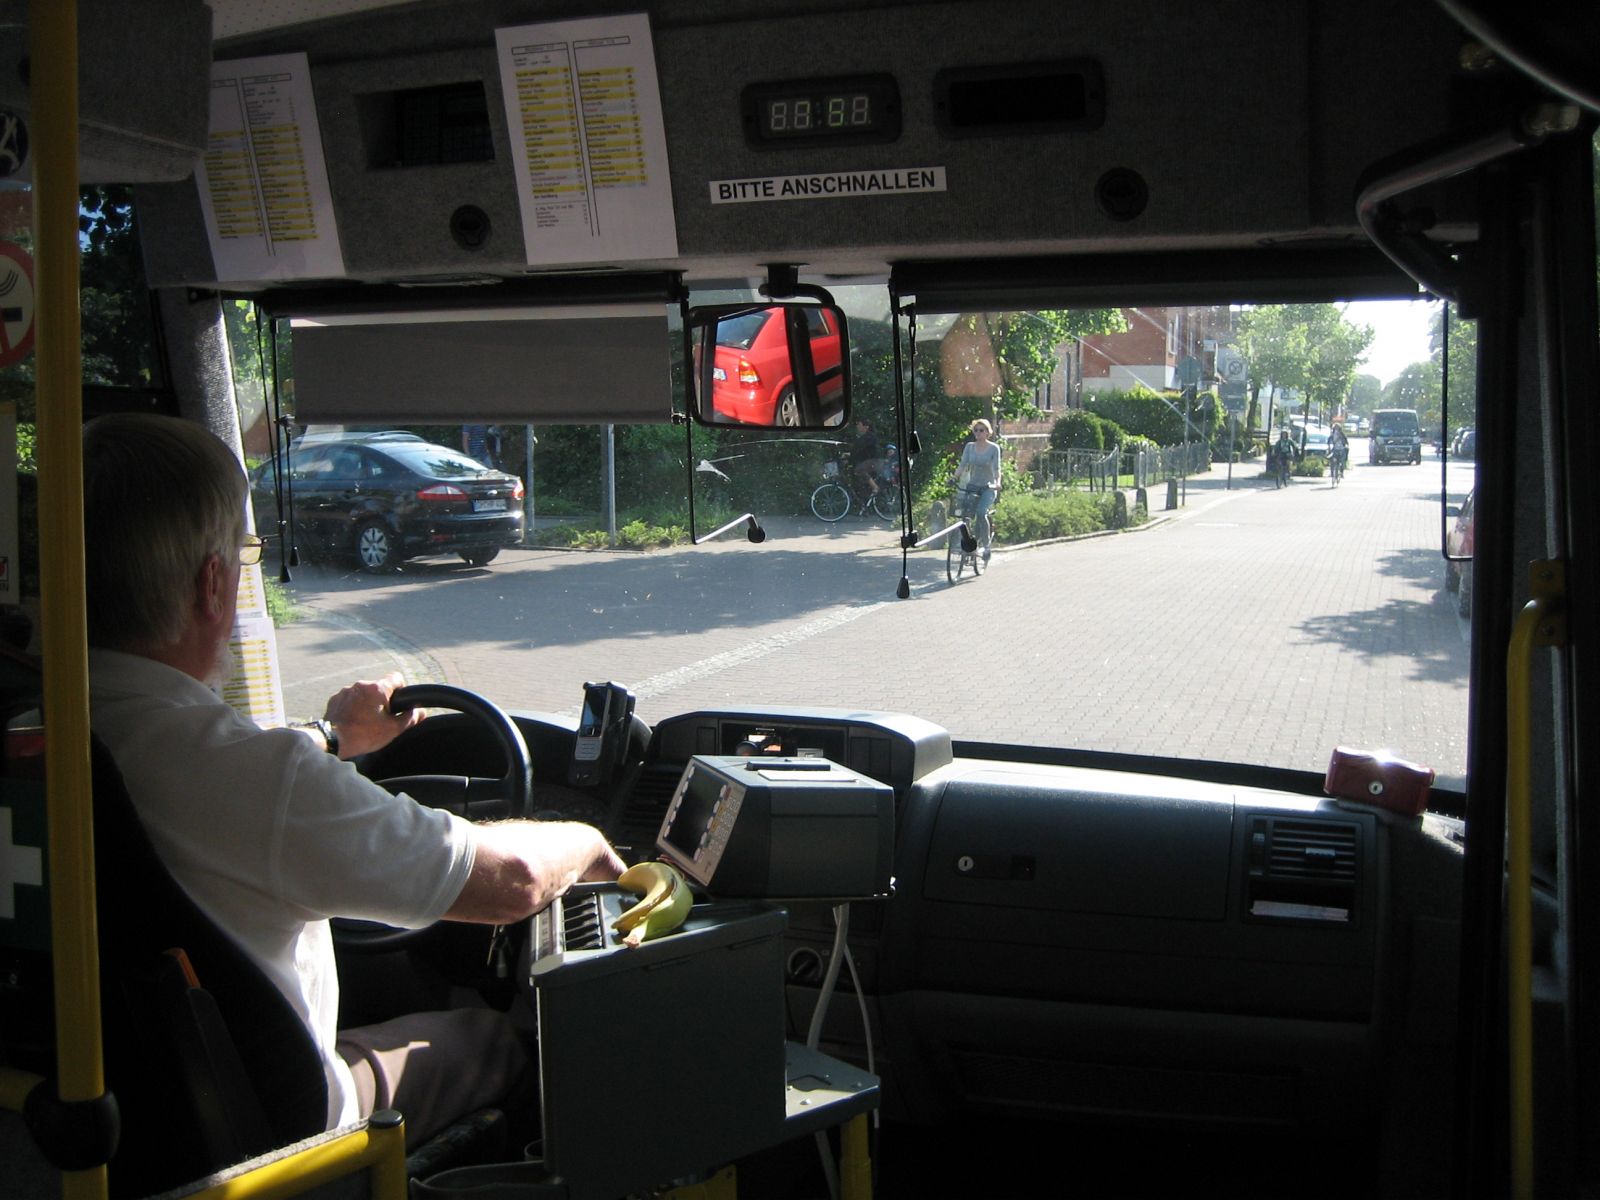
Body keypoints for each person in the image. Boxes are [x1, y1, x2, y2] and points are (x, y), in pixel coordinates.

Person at [82, 413, 625, 1146]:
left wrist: (335, 738)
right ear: (214, 585)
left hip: (114, 1118)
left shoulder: (51, 733)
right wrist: (590, 839)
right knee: (494, 1038)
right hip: (270, 1139)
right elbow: (517, 880)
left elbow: (216, 775)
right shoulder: (255, 778)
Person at [956, 418, 1002, 558]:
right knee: (965, 515)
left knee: (981, 513)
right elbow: (962, 465)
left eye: (981, 430)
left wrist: (997, 483)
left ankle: (987, 546)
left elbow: (996, 469)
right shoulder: (969, 447)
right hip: (973, 485)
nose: (978, 433)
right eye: (976, 430)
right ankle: (968, 544)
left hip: (988, 487)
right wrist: (954, 478)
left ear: (988, 432)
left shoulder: (994, 448)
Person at [849, 417, 884, 498]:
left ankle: (875, 487)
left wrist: (850, 456)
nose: (857, 426)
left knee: (859, 470)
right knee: (860, 480)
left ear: (866, 426)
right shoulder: (865, 437)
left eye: (859, 424)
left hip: (876, 461)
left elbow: (858, 448)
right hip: (872, 461)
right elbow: (860, 451)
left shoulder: (868, 437)